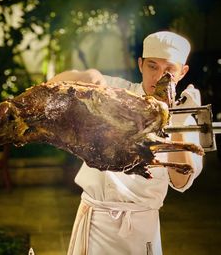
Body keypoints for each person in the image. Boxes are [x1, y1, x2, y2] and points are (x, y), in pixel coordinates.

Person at [49, 31, 203, 254]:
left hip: (143, 226)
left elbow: (180, 182)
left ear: (183, 72)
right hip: (96, 222)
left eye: (169, 69)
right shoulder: (116, 92)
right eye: (152, 66)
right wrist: (85, 75)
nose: (160, 76)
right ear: (140, 65)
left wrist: (178, 127)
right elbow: (52, 86)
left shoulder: (185, 117)